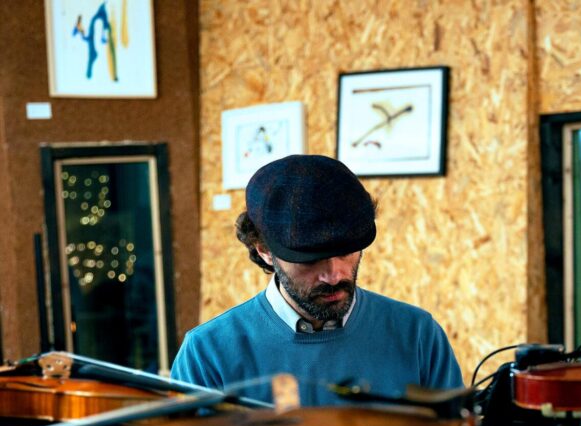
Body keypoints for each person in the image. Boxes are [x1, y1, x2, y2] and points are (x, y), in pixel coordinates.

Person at [171, 154, 463, 406]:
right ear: (264, 251)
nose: (334, 275)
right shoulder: (208, 353)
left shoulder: (418, 335)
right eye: (309, 259)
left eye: (346, 252)